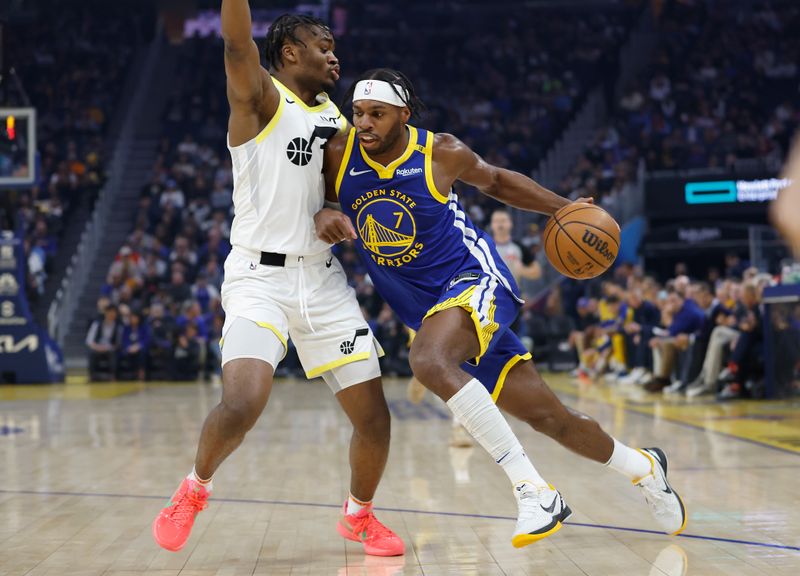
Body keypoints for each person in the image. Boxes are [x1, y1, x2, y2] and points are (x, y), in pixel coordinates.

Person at [314, 68, 687, 547]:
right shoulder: (339, 153)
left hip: (475, 281)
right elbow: (324, 199)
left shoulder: (440, 151)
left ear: (403, 116)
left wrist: (563, 208)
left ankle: (533, 491)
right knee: (551, 418)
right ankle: (645, 466)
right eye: (359, 113)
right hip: (428, 310)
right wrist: (325, 210)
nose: (364, 123)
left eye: (377, 114)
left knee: (428, 360)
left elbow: (495, 182)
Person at [152, 6, 404, 557]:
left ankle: (359, 516)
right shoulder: (261, 99)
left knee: (376, 420)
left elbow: (337, 190)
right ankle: (195, 488)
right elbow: (237, 44)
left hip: (320, 279)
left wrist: (333, 210)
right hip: (257, 278)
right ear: (290, 53)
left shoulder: (340, 121)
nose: (334, 54)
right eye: (322, 44)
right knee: (243, 403)